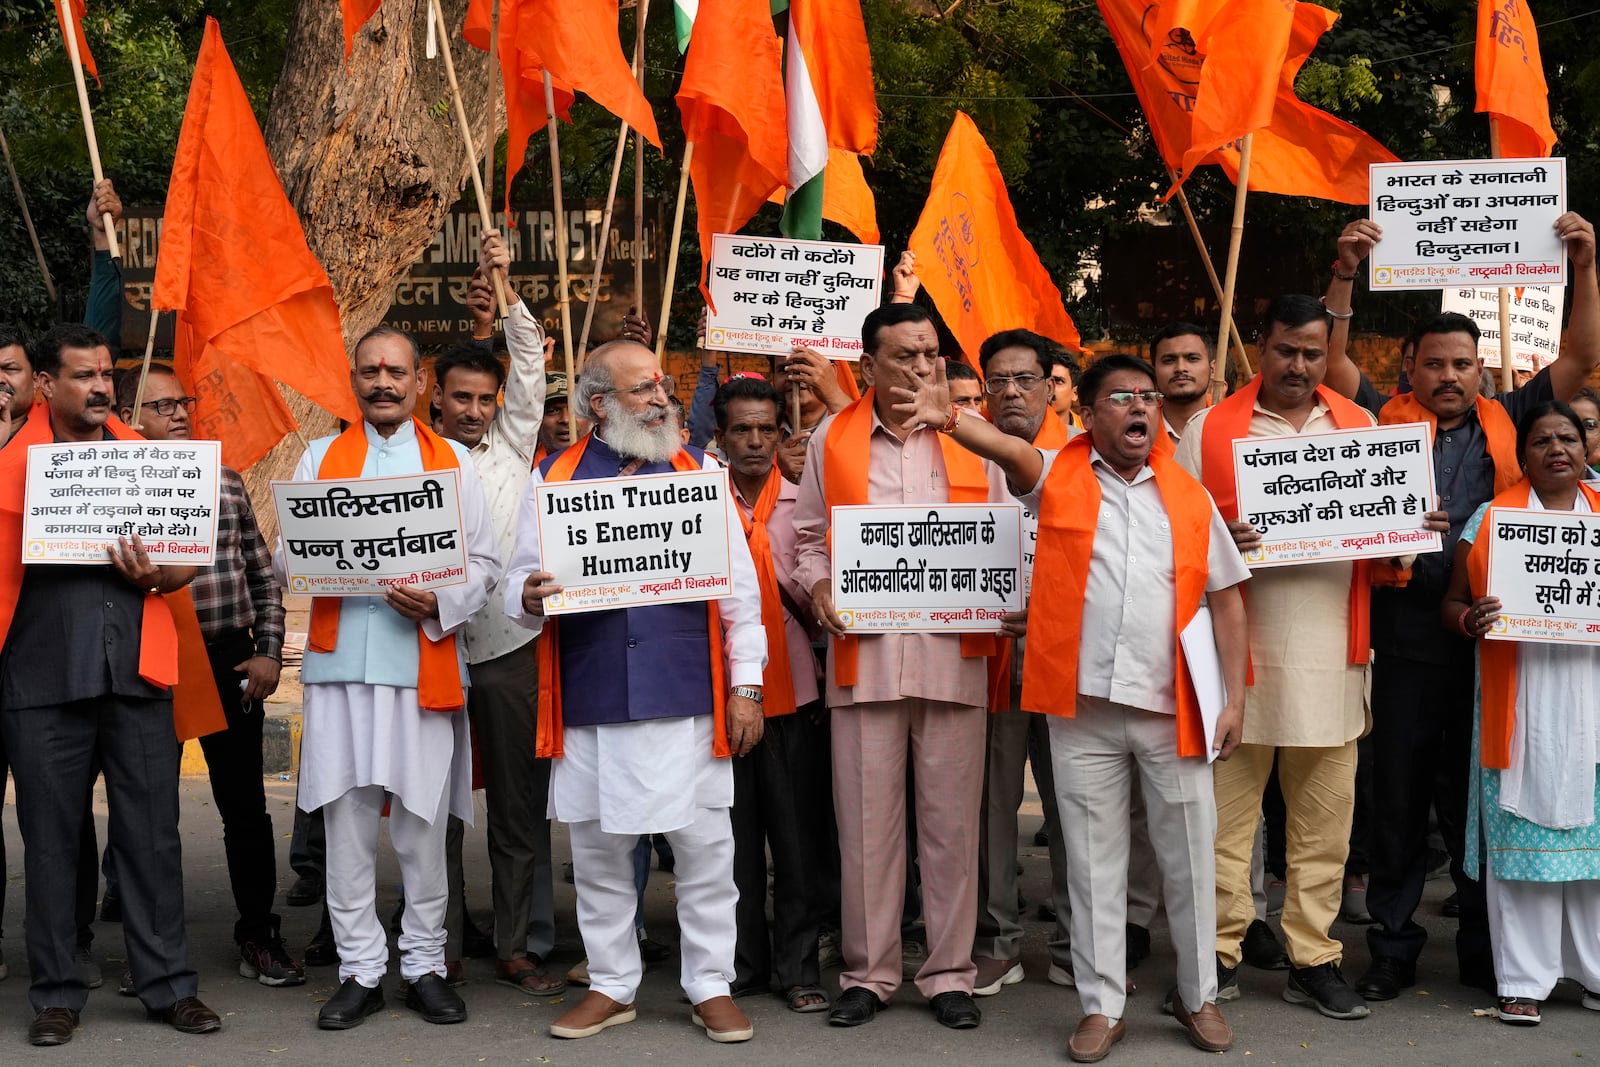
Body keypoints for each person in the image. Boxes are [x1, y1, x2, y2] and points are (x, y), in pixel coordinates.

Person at [892, 351, 1251, 1061]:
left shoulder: (1187, 494)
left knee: (1186, 858)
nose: (1142, 408)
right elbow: (1007, 448)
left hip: (1172, 707)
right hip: (1079, 709)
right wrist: (953, 418)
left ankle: (1197, 994)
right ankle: (1101, 1004)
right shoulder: (1058, 477)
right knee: (1089, 863)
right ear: (1085, 410)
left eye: (1148, 396)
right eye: (1123, 397)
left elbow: (1227, 599)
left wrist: (1233, 698)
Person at [1321, 213, 1599, 1001]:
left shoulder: (1515, 417)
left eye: (1464, 363)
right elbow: (1331, 360)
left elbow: (1581, 354)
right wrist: (1345, 272)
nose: (1450, 375)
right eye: (1435, 363)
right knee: (1401, 802)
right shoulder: (1379, 416)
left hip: (1502, 654)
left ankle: (1490, 950)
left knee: (1479, 803)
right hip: (1407, 644)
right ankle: (1394, 947)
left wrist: (1585, 263)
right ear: (1409, 366)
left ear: (1484, 370)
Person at [1176, 295, 1443, 1021]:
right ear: (1260, 347)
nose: (1299, 365)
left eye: (1313, 353)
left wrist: (1410, 527)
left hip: (1334, 659)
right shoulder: (1206, 430)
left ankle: (1313, 956)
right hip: (1238, 665)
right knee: (1226, 825)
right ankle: (1220, 952)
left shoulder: (1362, 427)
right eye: (1287, 349)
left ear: (1330, 354)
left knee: (1324, 825)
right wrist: (1219, 537)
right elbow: (1168, 535)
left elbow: (1391, 550)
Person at [503, 340, 766, 1044]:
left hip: (688, 696)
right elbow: (514, 589)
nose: (662, 399)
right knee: (597, 853)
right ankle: (613, 982)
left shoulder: (698, 469)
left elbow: (742, 595)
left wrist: (748, 686)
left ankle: (710, 981)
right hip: (594, 694)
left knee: (707, 848)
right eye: (646, 388)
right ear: (600, 403)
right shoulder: (552, 478)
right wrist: (529, 594)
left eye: (663, 386)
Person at [792, 303, 1019, 1032]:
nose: (924, 368)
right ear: (867, 366)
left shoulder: (974, 435)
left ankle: (949, 973)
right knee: (867, 827)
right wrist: (820, 585)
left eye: (932, 355)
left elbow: (1015, 534)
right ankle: (869, 972)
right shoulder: (835, 434)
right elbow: (804, 540)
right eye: (906, 356)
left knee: (953, 827)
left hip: (957, 657)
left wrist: (1014, 589)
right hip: (867, 661)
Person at [0, 325, 223, 1046]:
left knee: (153, 836)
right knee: (51, 841)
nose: (99, 386)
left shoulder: (147, 459)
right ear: (47, 385)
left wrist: (163, 575)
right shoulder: (12, 461)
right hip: (40, 676)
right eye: (82, 375)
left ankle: (168, 986)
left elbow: (188, 560)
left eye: (105, 374)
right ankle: (58, 991)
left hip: (136, 670)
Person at [275, 325, 499, 1030]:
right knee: (343, 825)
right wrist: (317, 558)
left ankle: (425, 963)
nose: (383, 382)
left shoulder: (456, 463)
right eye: (370, 370)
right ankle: (359, 968)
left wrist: (441, 600)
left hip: (420, 662)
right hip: (342, 668)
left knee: (421, 829)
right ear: (355, 380)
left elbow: (487, 566)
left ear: (418, 382)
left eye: (396, 371)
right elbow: (287, 556)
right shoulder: (319, 457)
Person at [112, 364, 302, 987]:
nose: (180, 413)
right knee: (144, 809)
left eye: (183, 402)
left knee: (245, 806)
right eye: (161, 406)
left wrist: (270, 650)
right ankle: (150, 942)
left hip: (227, 658)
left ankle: (257, 930)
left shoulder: (221, 478)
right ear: (127, 416)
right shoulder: (104, 485)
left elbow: (261, 576)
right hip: (144, 664)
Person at [430, 232, 565, 995]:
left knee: (518, 808)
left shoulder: (516, 445)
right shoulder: (414, 457)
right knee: (441, 809)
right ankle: (440, 945)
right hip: (434, 644)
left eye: (488, 398)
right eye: (463, 398)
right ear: (437, 397)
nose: (477, 410)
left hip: (511, 643)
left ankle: (514, 946)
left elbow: (532, 358)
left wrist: (507, 285)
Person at [1445, 401, 1600, 1026]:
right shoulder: (1490, 520)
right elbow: (1453, 601)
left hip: (1590, 697)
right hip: (1522, 700)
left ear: (1588, 446)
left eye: (1570, 436)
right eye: (1542, 440)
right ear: (1523, 454)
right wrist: (1467, 618)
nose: (1557, 448)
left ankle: (1593, 973)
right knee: (1523, 844)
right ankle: (1523, 981)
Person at [713, 374, 831, 1013]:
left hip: (796, 694)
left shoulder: (804, 504)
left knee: (796, 843)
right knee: (731, 841)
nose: (756, 441)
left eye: (767, 429)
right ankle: (742, 965)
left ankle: (798, 967)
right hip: (723, 696)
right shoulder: (697, 505)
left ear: (783, 435)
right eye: (742, 430)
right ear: (721, 437)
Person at [966, 329, 1076, 996]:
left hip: (1068, 661)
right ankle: (995, 941)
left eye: (1024, 379)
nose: (1010, 391)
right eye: (997, 380)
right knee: (992, 808)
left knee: (1075, 810)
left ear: (1050, 384)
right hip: (990, 658)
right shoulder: (959, 456)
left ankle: (1075, 940)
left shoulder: (1087, 455)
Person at [1150, 322, 1213, 441]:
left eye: (1192, 359)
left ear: (1213, 369)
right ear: (1154, 371)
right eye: (1169, 360)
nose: (1180, 368)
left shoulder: (1236, 425)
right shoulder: (1138, 432)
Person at [536, 372, 572, 466]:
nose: (565, 419)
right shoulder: (521, 467)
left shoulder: (613, 467)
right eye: (553, 411)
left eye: (575, 410)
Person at [1047, 349, 1083, 430]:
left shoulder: (1089, 432)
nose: (1048, 387)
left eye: (1058, 381)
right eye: (1044, 379)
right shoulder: (1017, 432)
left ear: (1075, 393)